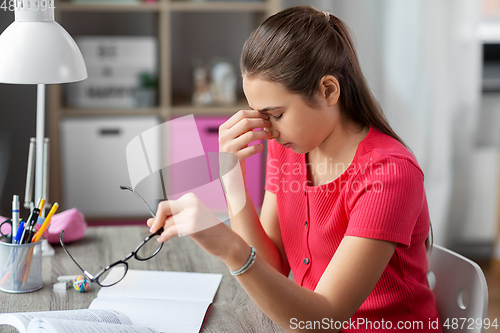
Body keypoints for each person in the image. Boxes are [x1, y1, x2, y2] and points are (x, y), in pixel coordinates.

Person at [148, 5, 441, 333]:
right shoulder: (288, 150)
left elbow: (323, 320)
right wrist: (230, 176)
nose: (268, 130)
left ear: (328, 91)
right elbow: (272, 263)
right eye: (259, 115)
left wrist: (231, 247)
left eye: (276, 114)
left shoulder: (389, 174)